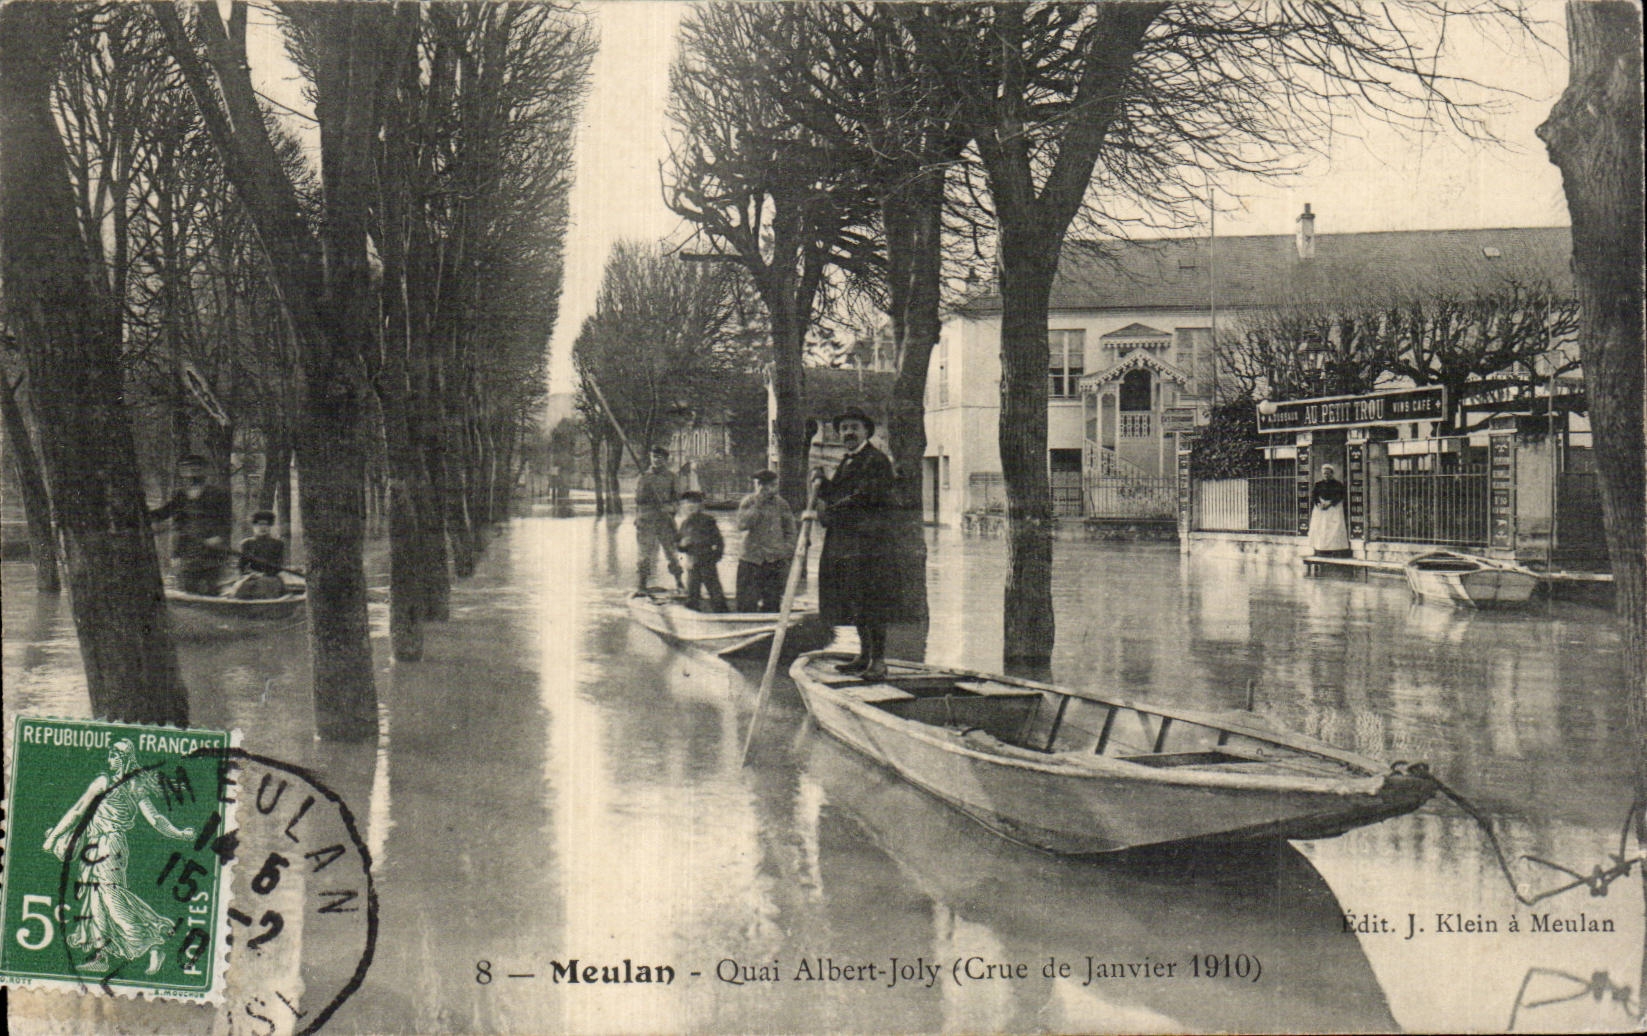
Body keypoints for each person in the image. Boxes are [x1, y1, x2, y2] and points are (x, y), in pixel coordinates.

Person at [43, 739, 196, 975]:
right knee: (95, 900)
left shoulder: (134, 786)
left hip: (111, 844)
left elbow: (155, 820)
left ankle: (152, 943)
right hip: (93, 846)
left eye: (114, 756)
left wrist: (180, 834)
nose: (109, 760)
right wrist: (54, 837)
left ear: (125, 759)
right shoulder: (103, 782)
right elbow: (76, 811)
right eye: (110, 755)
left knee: (110, 896)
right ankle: (100, 955)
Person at [812, 408, 897, 680]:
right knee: (855, 601)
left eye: (854, 427)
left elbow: (864, 497)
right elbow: (839, 494)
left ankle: (879, 661)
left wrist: (831, 512)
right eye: (844, 428)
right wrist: (822, 483)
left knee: (871, 602)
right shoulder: (847, 461)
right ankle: (863, 656)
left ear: (866, 432)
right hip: (847, 544)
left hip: (869, 545)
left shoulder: (876, 460)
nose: (848, 432)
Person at [148, 455, 232, 595]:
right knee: (188, 586)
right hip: (187, 548)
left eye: (196, 470)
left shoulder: (217, 494)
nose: (191, 475)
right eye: (187, 471)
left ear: (204, 472)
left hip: (211, 549)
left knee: (211, 586)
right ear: (182, 474)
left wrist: (219, 537)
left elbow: (226, 521)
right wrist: (145, 515)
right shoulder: (181, 496)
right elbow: (164, 512)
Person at [735, 469, 797, 612]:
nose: (772, 489)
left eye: (774, 485)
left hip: (773, 561)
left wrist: (786, 550)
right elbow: (742, 525)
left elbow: (790, 530)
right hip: (751, 560)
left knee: (772, 602)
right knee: (746, 603)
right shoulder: (749, 501)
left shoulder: (782, 504)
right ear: (760, 486)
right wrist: (758, 503)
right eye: (768, 485)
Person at [634, 445, 683, 592]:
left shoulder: (672, 477)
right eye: (654, 457)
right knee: (644, 554)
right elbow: (638, 500)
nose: (656, 460)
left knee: (672, 553)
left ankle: (679, 582)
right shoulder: (643, 476)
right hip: (646, 520)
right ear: (650, 458)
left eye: (660, 458)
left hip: (665, 521)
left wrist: (670, 508)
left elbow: (677, 500)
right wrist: (646, 486)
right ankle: (642, 585)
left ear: (666, 460)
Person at [675, 490, 728, 612]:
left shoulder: (708, 521)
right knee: (692, 591)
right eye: (687, 503)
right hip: (692, 562)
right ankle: (693, 616)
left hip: (707, 561)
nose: (690, 506)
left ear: (701, 505)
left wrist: (715, 557)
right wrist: (682, 545)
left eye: (694, 503)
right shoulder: (685, 523)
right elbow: (678, 544)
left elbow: (719, 542)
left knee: (715, 592)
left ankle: (722, 614)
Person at [230, 510, 288, 600]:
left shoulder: (278, 544)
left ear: (270, 526)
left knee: (266, 586)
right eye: (259, 525)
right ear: (253, 526)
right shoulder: (246, 543)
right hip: (251, 577)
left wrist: (265, 574)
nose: (262, 528)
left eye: (266, 525)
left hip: (270, 578)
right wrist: (250, 574)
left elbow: (278, 565)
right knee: (241, 588)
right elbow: (241, 565)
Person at [1309, 463, 1352, 558]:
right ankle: (1320, 548)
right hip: (1321, 510)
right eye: (1324, 473)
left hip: (1333, 509)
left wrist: (1330, 503)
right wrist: (1319, 503)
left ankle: (1334, 549)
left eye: (1328, 473)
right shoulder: (1318, 484)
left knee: (1334, 529)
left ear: (1332, 474)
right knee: (1321, 528)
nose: (1326, 475)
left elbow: (1340, 496)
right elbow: (1314, 496)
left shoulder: (1338, 484)